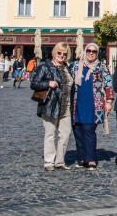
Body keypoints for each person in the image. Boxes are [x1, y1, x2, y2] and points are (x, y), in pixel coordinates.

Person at [69, 42, 114, 171]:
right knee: (77, 130)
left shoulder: (101, 67)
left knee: (89, 130)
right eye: (88, 50)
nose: (91, 53)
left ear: (97, 53)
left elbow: (109, 84)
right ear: (85, 51)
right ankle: (81, 157)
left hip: (93, 103)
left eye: (94, 51)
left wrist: (109, 101)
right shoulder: (75, 66)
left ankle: (91, 158)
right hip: (76, 103)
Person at [31, 43, 73, 171]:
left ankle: (59, 161)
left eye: (64, 53)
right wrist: (48, 83)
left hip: (66, 106)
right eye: (59, 53)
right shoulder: (45, 67)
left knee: (65, 133)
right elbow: (34, 84)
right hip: (50, 105)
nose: (61, 55)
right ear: (54, 53)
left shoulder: (67, 68)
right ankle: (49, 161)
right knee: (50, 134)